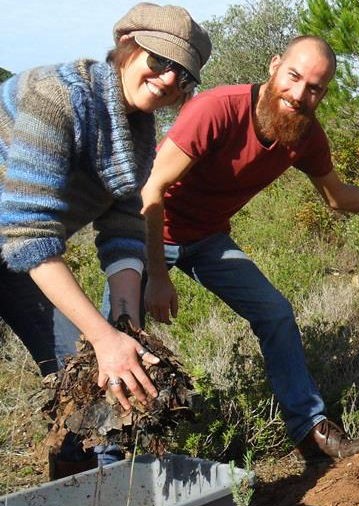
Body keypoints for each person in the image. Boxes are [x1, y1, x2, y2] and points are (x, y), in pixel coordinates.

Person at [139, 35, 359, 461]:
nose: (299, 94)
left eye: (314, 87)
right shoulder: (217, 108)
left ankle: (311, 432)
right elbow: (151, 188)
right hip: (146, 231)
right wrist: (156, 273)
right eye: (294, 77)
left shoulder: (305, 136)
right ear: (274, 65)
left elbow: (337, 198)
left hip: (206, 239)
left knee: (275, 312)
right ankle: (105, 455)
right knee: (118, 334)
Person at [0, 3, 211, 467]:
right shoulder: (54, 97)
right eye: (160, 60)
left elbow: (124, 223)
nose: (170, 79)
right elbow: (28, 231)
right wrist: (102, 336)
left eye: (184, 75)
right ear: (126, 47)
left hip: (14, 259)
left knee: (84, 384)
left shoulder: (134, 128)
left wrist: (121, 325)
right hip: (17, 244)